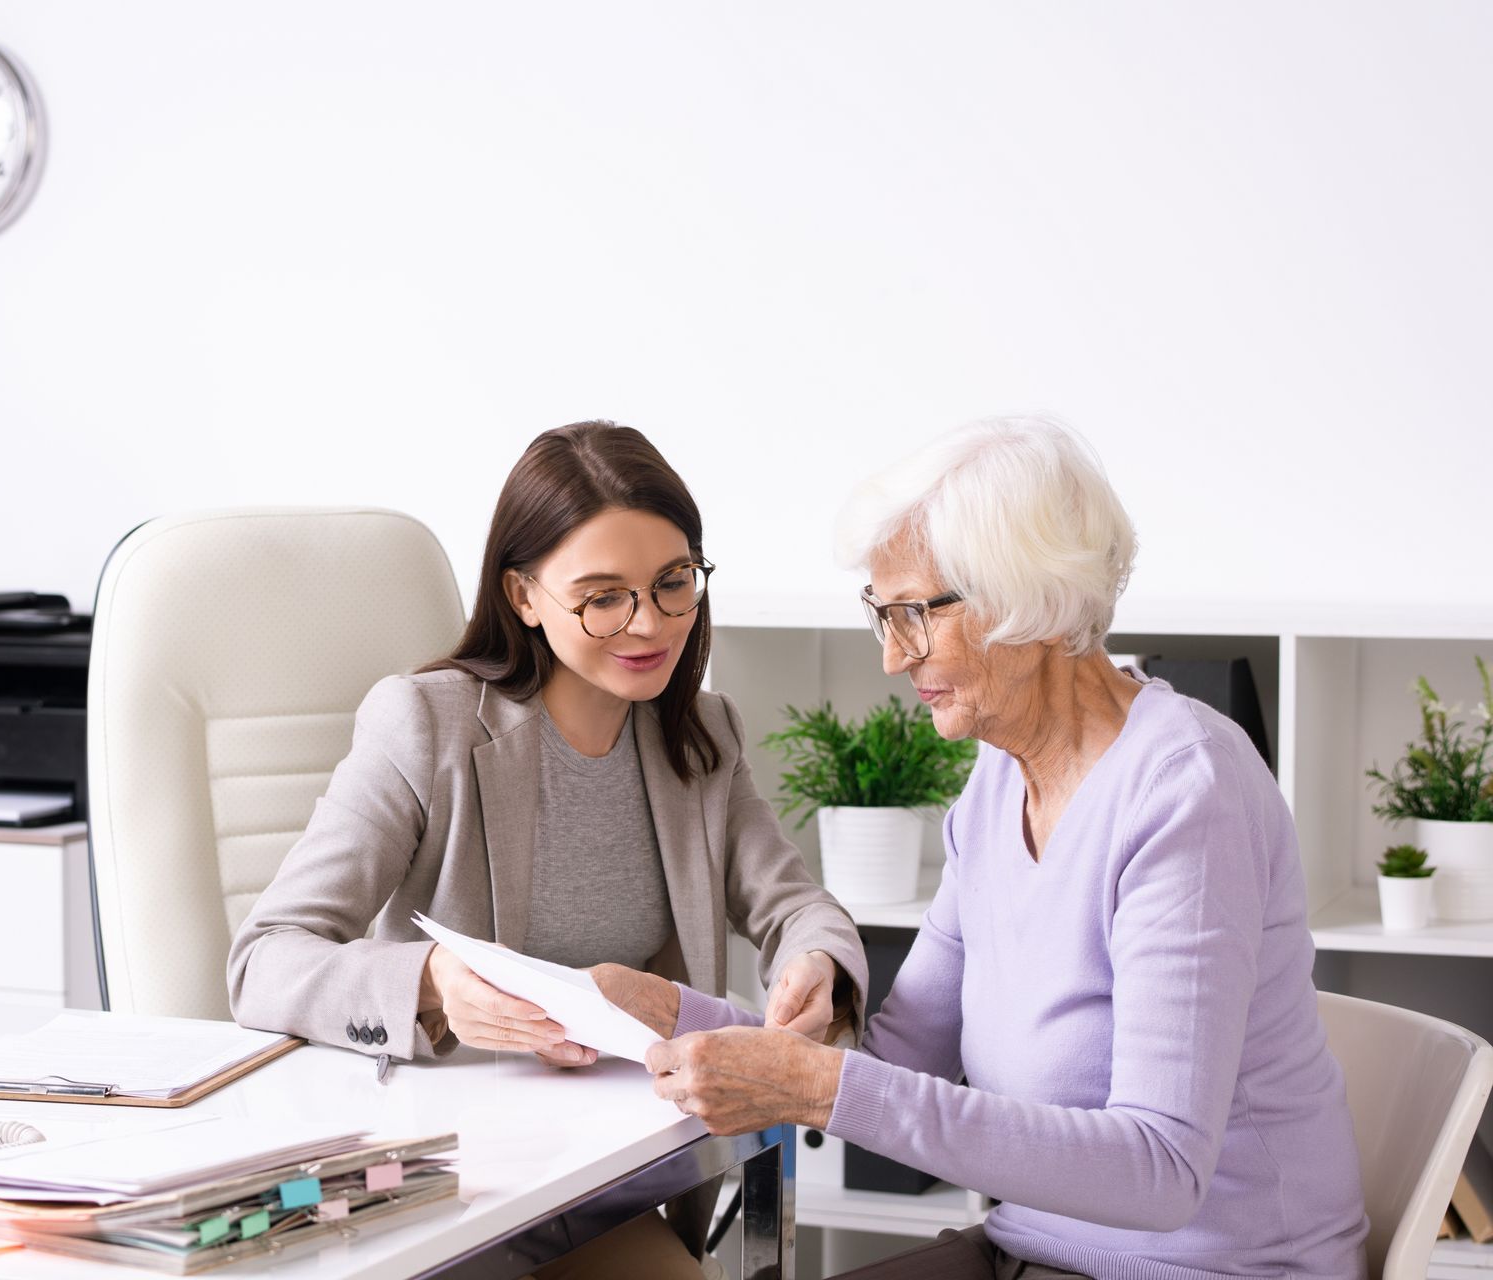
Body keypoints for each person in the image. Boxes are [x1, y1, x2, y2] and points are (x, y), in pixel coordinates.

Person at [609, 417, 1368, 1279]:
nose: (893, 657)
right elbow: (893, 1059)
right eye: (880, 615)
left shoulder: (1186, 788)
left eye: (913, 615)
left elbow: (1161, 1172)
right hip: (1028, 1252)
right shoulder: (997, 785)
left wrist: (811, 1086)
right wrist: (667, 1015)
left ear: (1021, 600)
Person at [228, 420, 868, 1277]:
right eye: (603, 596)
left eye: (674, 582)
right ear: (524, 596)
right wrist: (433, 983)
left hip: (614, 1182)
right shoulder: (426, 726)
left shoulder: (701, 733)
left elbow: (793, 905)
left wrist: (818, 963)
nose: (649, 623)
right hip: (445, 1189)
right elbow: (263, 960)